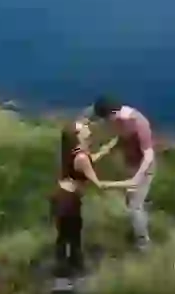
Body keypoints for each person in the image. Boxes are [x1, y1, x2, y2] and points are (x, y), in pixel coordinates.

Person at [51, 118, 132, 277]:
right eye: (83, 128)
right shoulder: (81, 157)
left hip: (61, 196)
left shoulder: (73, 151)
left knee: (64, 235)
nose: (87, 128)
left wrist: (108, 147)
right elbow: (99, 184)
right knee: (73, 235)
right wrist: (128, 183)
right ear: (78, 135)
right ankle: (72, 270)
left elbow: (89, 160)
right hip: (70, 201)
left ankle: (62, 267)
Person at [90, 97, 157, 251]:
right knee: (132, 201)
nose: (104, 123)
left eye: (104, 119)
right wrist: (100, 154)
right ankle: (144, 210)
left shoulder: (138, 123)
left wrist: (138, 177)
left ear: (112, 115)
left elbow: (148, 155)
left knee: (134, 206)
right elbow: (120, 139)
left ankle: (144, 244)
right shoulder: (120, 119)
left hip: (143, 167)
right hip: (131, 164)